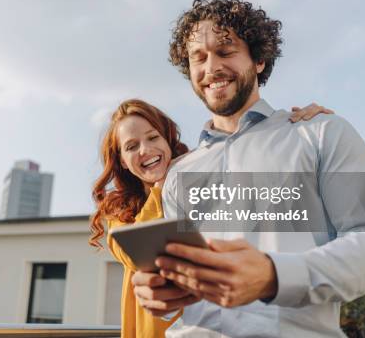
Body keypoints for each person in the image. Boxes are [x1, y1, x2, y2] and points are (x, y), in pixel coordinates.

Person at [131, 0, 365, 337]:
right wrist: (159, 289)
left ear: (258, 60)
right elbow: (182, 278)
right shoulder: (178, 175)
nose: (211, 68)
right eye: (198, 57)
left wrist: (274, 274)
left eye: (225, 52)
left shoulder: (321, 134)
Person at [90, 99, 333, 337]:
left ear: (167, 139)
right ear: (122, 159)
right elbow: (139, 255)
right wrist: (159, 187)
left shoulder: (196, 175)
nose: (145, 150)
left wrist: (297, 127)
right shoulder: (119, 213)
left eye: (153, 137)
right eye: (131, 146)